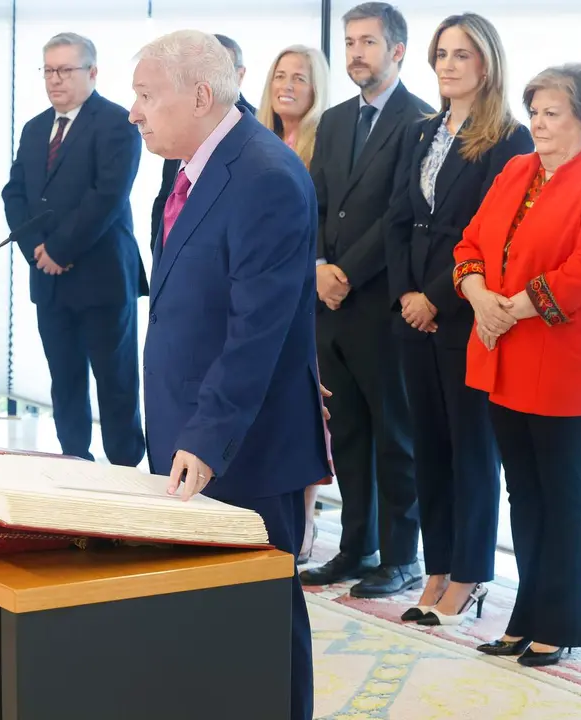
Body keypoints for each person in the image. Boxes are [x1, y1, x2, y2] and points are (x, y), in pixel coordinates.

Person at [131, 29, 330, 720]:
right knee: (204, 609)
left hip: (243, 442)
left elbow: (257, 331)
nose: (134, 111)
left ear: (199, 95)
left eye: (146, 95)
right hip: (190, 425)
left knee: (264, 615)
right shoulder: (186, 167)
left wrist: (207, 437)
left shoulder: (265, 176)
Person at [454, 63, 581, 667]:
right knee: (523, 494)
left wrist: (512, 308)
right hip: (503, 355)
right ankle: (524, 615)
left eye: (551, 113)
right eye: (534, 112)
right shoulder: (514, 169)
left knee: (561, 494)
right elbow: (470, 243)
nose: (537, 123)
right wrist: (481, 299)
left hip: (563, 365)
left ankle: (558, 622)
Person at [384, 12, 531, 626]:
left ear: (487, 63)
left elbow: (494, 237)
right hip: (411, 310)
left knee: (472, 448)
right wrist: (404, 296)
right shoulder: (421, 130)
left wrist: (437, 299)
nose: (447, 64)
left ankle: (469, 574)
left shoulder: (511, 139)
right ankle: (436, 565)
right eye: (441, 53)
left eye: (461, 54)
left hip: (467, 312)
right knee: (429, 447)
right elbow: (394, 218)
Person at [300, 1, 433, 599]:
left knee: (394, 435)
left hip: (382, 304)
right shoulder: (331, 121)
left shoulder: (420, 120)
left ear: (397, 51)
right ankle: (357, 547)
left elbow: (399, 215)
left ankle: (402, 556)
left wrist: (346, 271)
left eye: (368, 43)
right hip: (331, 306)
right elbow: (318, 204)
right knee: (347, 431)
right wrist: (321, 268)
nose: (356, 52)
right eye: (350, 42)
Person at [2, 33, 146, 467]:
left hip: (101, 278)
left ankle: (126, 473)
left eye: (65, 70)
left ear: (93, 72)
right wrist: (36, 250)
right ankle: (73, 464)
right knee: (64, 382)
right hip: (48, 279)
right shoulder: (34, 128)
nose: (55, 80)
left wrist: (61, 249)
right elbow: (14, 195)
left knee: (115, 382)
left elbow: (107, 196)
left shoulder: (119, 123)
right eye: (48, 70)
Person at [255, 43, 332, 562]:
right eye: (280, 75)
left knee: (312, 415)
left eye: (299, 78)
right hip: (264, 299)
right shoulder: (255, 140)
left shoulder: (325, 142)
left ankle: (304, 527)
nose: (287, 85)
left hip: (315, 298)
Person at [149, 33, 255, 249]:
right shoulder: (181, 121)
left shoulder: (255, 127)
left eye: (217, 71)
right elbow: (167, 195)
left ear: (239, 74)